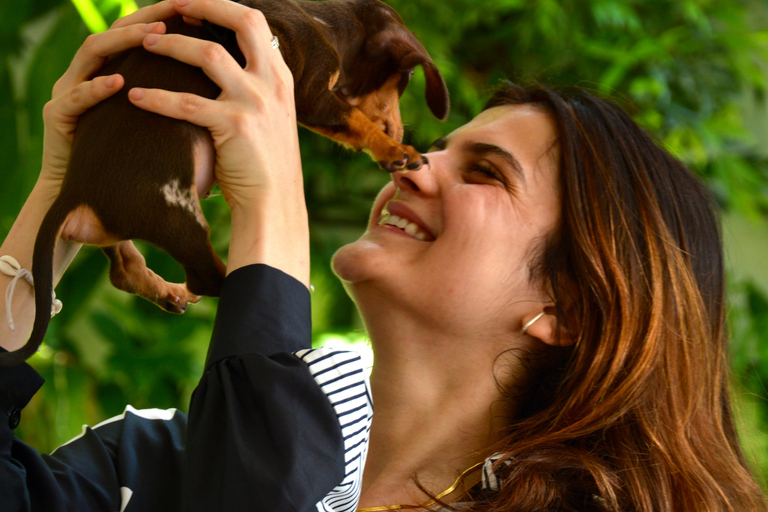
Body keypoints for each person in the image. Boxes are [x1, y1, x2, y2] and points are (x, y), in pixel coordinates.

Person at [0, 0, 766, 510]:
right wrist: (58, 205)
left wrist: (273, 209)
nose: (416, 164)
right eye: (435, 146)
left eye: (486, 174)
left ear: (565, 306)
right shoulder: (154, 459)